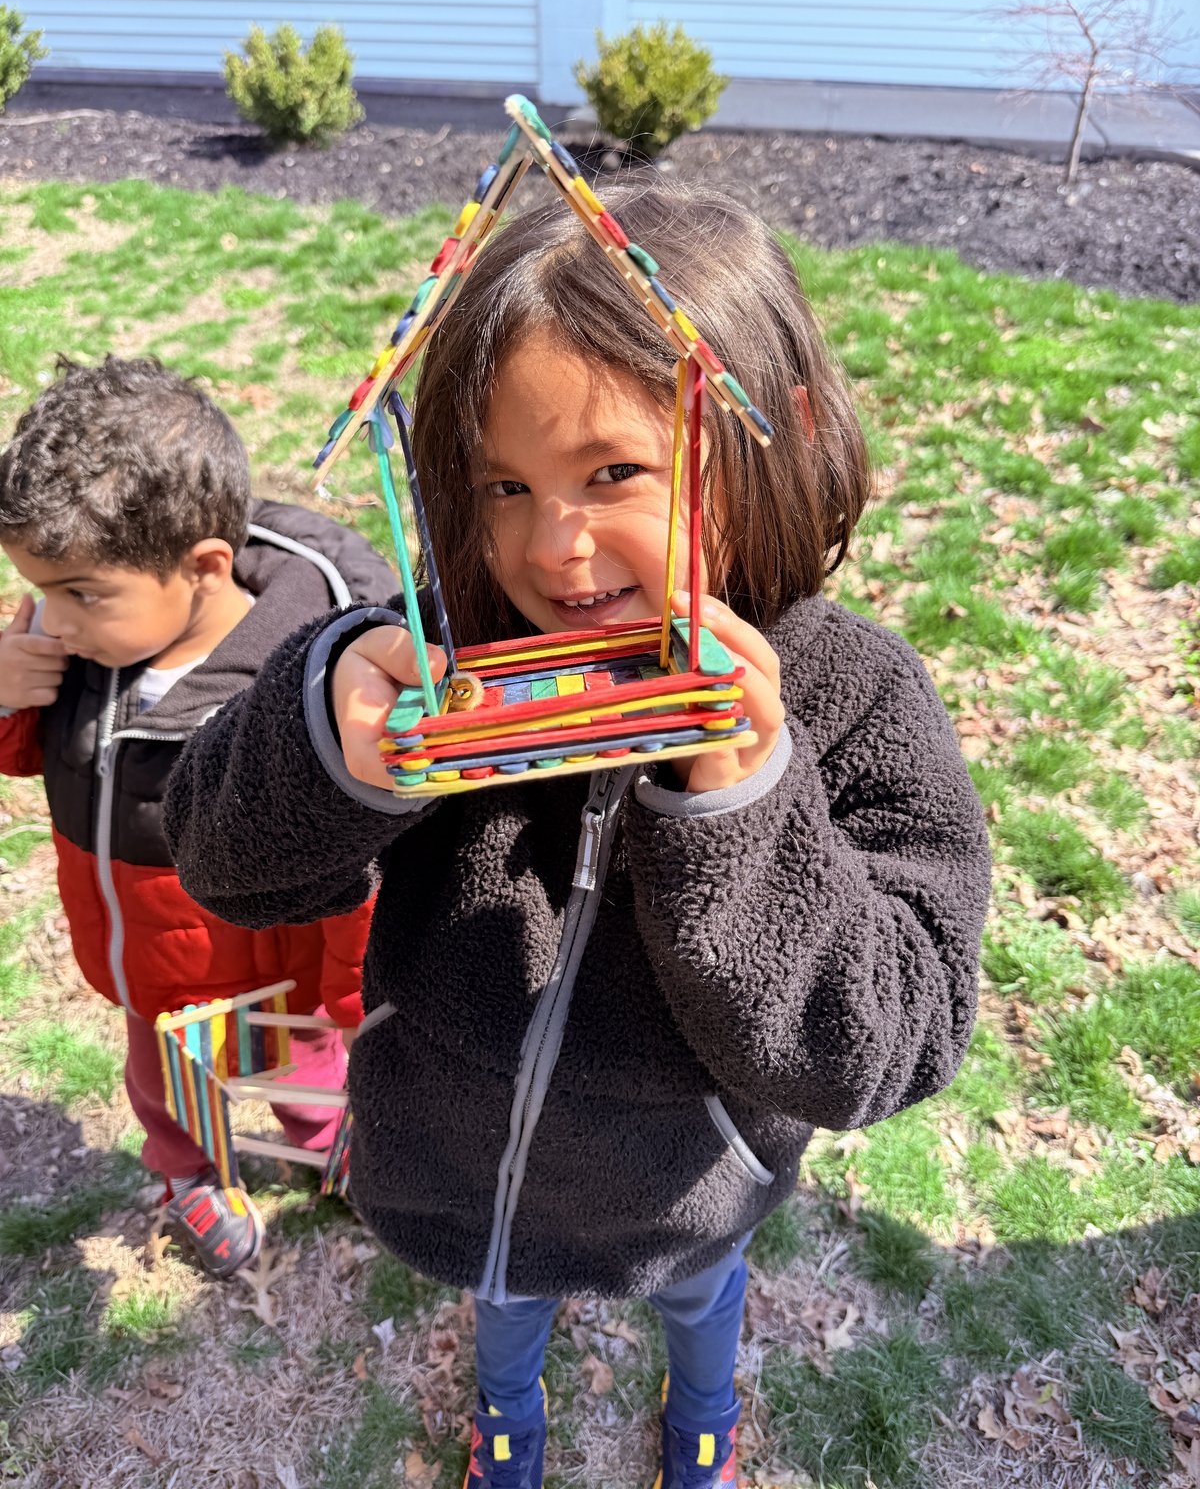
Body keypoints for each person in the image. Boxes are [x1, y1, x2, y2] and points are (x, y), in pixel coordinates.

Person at [164, 182, 991, 1488]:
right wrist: (327, 733)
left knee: (698, 1307)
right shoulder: (445, 655)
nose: (555, 546)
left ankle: (702, 1411)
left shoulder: (854, 703)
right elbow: (220, 861)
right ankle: (509, 1418)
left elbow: (887, 1044)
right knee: (506, 1318)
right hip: (465, 1188)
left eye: (613, 473)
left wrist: (741, 802)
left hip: (687, 1199)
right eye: (504, 484)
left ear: (778, 435)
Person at [0, 355, 395, 1279]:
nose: (50, 622)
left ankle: (322, 1139)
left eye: (78, 595)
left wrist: (350, 986)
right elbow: (23, 752)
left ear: (206, 566)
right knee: (170, 1086)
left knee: (297, 1066)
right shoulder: (80, 632)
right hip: (150, 958)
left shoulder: (311, 683)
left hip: (276, 958)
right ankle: (191, 1174)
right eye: (40, 592)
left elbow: (358, 851)